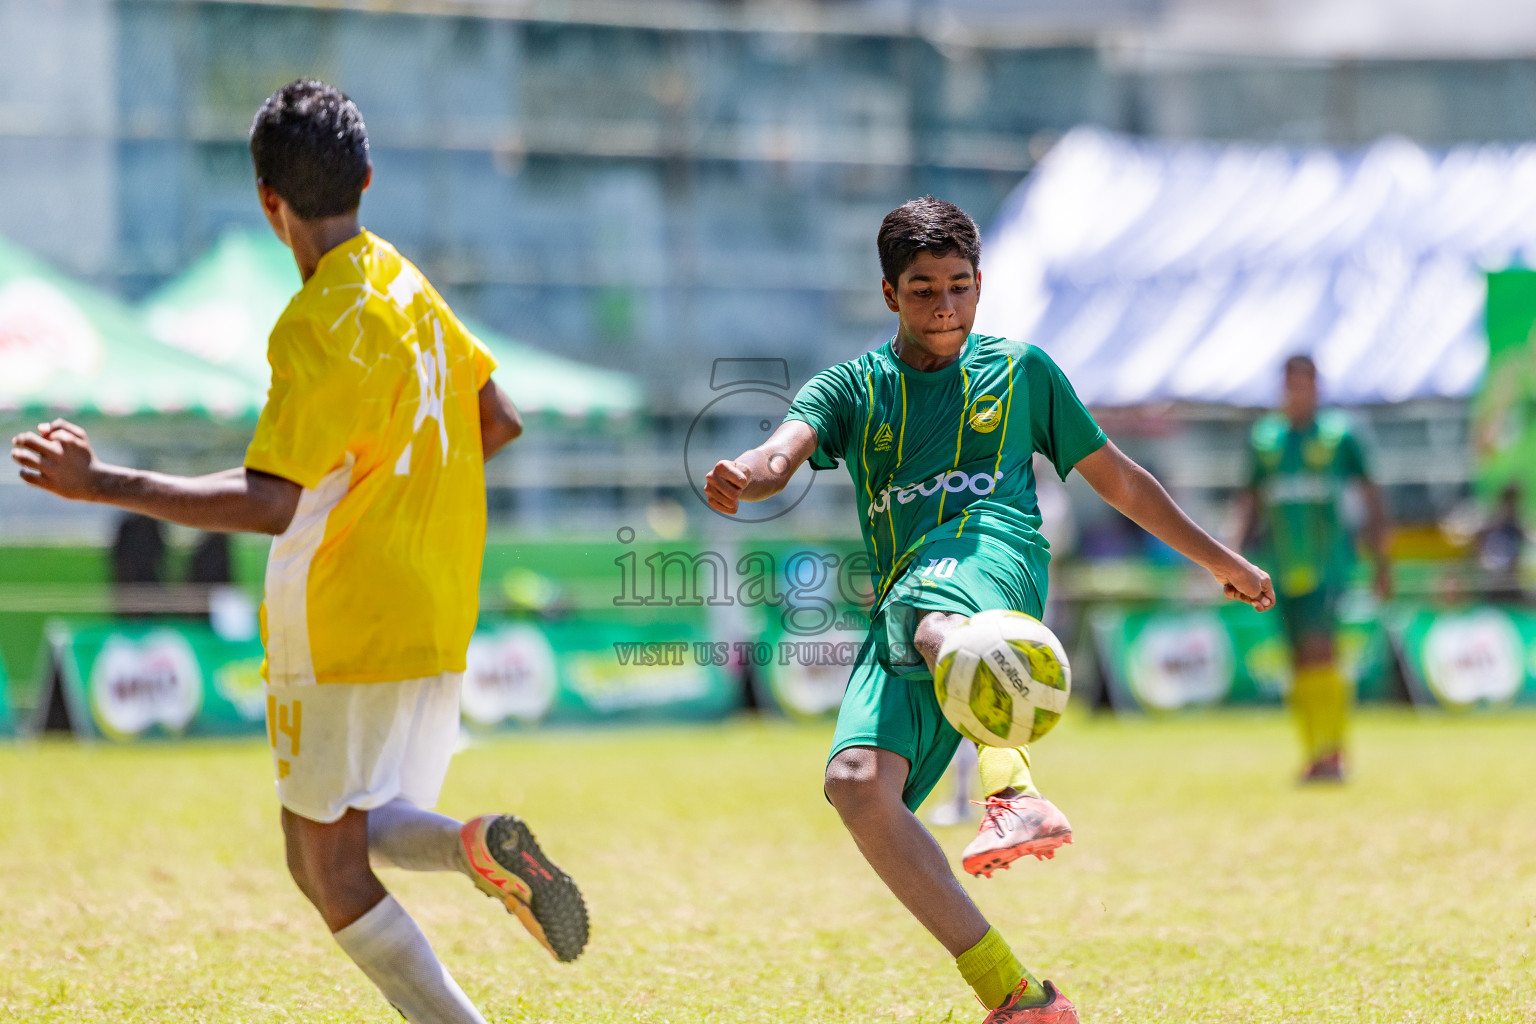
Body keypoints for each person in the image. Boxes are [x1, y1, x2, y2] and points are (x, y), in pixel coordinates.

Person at [11, 79, 587, 1023]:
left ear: (267, 201)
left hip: (344, 620)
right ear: (366, 176)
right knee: (349, 831)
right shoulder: (404, 281)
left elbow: (271, 502)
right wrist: (399, 492)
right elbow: (500, 417)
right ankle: (475, 846)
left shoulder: (318, 322)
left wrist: (100, 482)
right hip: (436, 610)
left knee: (321, 861)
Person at [704, 197, 1274, 1024]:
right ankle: (1019, 997)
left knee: (935, 617)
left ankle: (1012, 787)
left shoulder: (1022, 371)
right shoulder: (853, 387)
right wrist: (745, 474)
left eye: (960, 286)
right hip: (904, 602)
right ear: (890, 294)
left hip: (993, 562)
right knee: (857, 786)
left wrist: (1222, 559)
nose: (945, 306)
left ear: (980, 286)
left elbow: (1118, 477)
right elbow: (782, 450)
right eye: (925, 288)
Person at [1234, 354, 1391, 784]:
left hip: (1330, 567)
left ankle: (1334, 754)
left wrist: (1382, 563)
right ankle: (1314, 754)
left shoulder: (1341, 435)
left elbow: (1372, 496)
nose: (1297, 393)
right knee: (1299, 660)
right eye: (1290, 385)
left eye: (1304, 384)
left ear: (1317, 387)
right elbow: (1250, 502)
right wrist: (1230, 557)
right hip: (1281, 569)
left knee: (1323, 652)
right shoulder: (1265, 439)